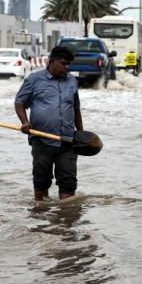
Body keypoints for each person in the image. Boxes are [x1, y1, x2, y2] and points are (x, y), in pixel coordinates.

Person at [14, 46, 83, 201]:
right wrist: (25, 122)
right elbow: (19, 103)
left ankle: (66, 220)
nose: (67, 68)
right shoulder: (34, 79)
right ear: (51, 62)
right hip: (41, 141)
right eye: (64, 64)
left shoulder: (72, 81)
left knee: (68, 185)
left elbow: (76, 108)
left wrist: (81, 133)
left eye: (68, 64)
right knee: (41, 182)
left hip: (68, 142)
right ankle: (42, 221)